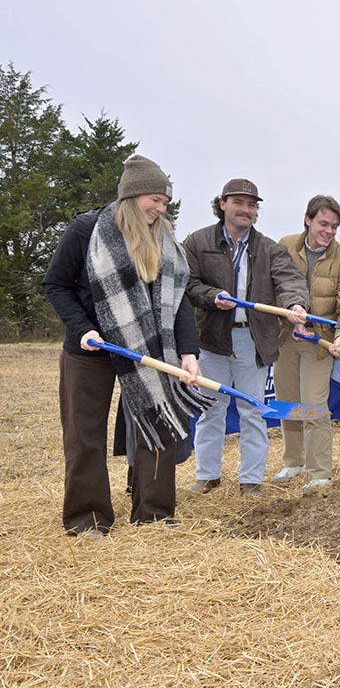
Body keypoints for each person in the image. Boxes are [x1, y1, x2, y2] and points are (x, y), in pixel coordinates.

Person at [43, 154, 211, 535]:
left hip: (148, 348)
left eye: (165, 202)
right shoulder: (86, 230)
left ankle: (154, 514)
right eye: (155, 199)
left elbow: (178, 298)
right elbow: (56, 284)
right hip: (91, 349)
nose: (161, 208)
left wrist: (188, 353)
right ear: (132, 196)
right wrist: (83, 328)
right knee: (84, 434)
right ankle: (88, 519)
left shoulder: (165, 238)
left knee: (160, 425)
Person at [183, 178, 309, 496]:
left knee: (252, 411)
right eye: (238, 202)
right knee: (211, 409)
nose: (246, 209)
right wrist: (212, 296)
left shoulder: (270, 248)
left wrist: (296, 304)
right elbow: (188, 284)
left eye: (252, 205)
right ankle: (207, 476)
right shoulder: (197, 242)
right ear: (222, 204)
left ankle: (251, 481)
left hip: (253, 341)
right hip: (212, 340)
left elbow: (290, 280)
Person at [272, 195, 340, 489]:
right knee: (287, 402)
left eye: (334, 226)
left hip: (319, 342)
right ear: (308, 220)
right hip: (286, 337)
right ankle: (293, 463)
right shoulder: (285, 245)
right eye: (324, 224)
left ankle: (319, 474)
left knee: (313, 406)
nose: (329, 231)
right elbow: (272, 286)